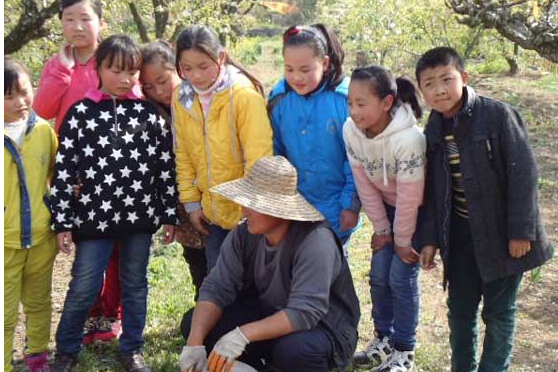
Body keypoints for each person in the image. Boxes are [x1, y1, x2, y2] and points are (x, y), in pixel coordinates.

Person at [416, 47, 554, 372]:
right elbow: (435, 192)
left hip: (503, 234)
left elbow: (524, 175)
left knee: (499, 312)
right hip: (460, 236)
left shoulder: (497, 115)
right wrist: (430, 238)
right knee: (460, 311)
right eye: (429, 83)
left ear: (463, 78)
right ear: (421, 90)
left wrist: (521, 230)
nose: (439, 90)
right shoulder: (433, 130)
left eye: (446, 80)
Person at [49, 34, 178, 372]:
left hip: (139, 217)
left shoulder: (148, 115)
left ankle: (132, 348)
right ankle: (66, 350)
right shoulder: (80, 114)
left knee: (135, 283)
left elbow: (165, 167)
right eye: (116, 70)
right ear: (99, 68)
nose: (125, 79)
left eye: (132, 71)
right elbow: (64, 170)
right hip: (93, 219)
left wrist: (168, 214)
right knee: (85, 284)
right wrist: (62, 220)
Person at [178, 156, 360, 372]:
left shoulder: (316, 241)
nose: (245, 210)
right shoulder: (244, 234)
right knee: (194, 324)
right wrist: (194, 343)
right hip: (269, 312)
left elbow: (305, 312)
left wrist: (242, 335)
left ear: (277, 208)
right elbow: (216, 287)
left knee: (294, 350)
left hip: (325, 327)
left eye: (253, 204)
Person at [33, 0, 133, 344]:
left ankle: (112, 315)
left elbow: (131, 100)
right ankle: (90, 315)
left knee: (116, 250)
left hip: (114, 173)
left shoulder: (113, 60)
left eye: (85, 18)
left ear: (101, 22)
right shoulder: (56, 65)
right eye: (69, 18)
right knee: (87, 247)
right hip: (74, 172)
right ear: (60, 22)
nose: (77, 26)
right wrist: (62, 69)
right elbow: (43, 108)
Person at [343, 65, 426, 372]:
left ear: (387, 102)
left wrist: (402, 240)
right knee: (378, 276)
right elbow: (363, 183)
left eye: (361, 104)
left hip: (415, 210)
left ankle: (405, 351)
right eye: (350, 102)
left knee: (400, 278)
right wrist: (381, 229)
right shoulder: (350, 130)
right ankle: (385, 339)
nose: (354, 110)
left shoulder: (409, 140)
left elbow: (410, 197)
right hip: (385, 208)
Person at [172, 24, 273, 270]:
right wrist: (192, 203)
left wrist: (254, 207)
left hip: (247, 214)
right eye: (187, 68)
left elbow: (259, 156)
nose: (195, 76)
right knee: (219, 283)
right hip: (211, 215)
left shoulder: (242, 96)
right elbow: (183, 153)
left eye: (203, 67)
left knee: (253, 285)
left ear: (221, 58)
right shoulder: (182, 97)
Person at [268, 24, 360, 254]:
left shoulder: (345, 100)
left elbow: (356, 158)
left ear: (325, 63)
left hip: (336, 208)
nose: (296, 77)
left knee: (334, 276)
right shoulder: (279, 99)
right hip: (295, 208)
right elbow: (275, 152)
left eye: (305, 69)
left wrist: (350, 204)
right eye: (289, 69)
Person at [140, 39, 207, 298]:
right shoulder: (150, 116)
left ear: (178, 70)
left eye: (163, 81)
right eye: (148, 86)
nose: (158, 91)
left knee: (226, 262)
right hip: (182, 205)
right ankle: (204, 311)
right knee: (197, 262)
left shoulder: (201, 100)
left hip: (213, 198)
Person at [4, 57, 58, 372]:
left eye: (24, 92)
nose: (20, 102)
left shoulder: (43, 132)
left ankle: (37, 355)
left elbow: (54, 174)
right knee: (5, 310)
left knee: (39, 302)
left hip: (41, 236)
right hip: (5, 244)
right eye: (9, 96)